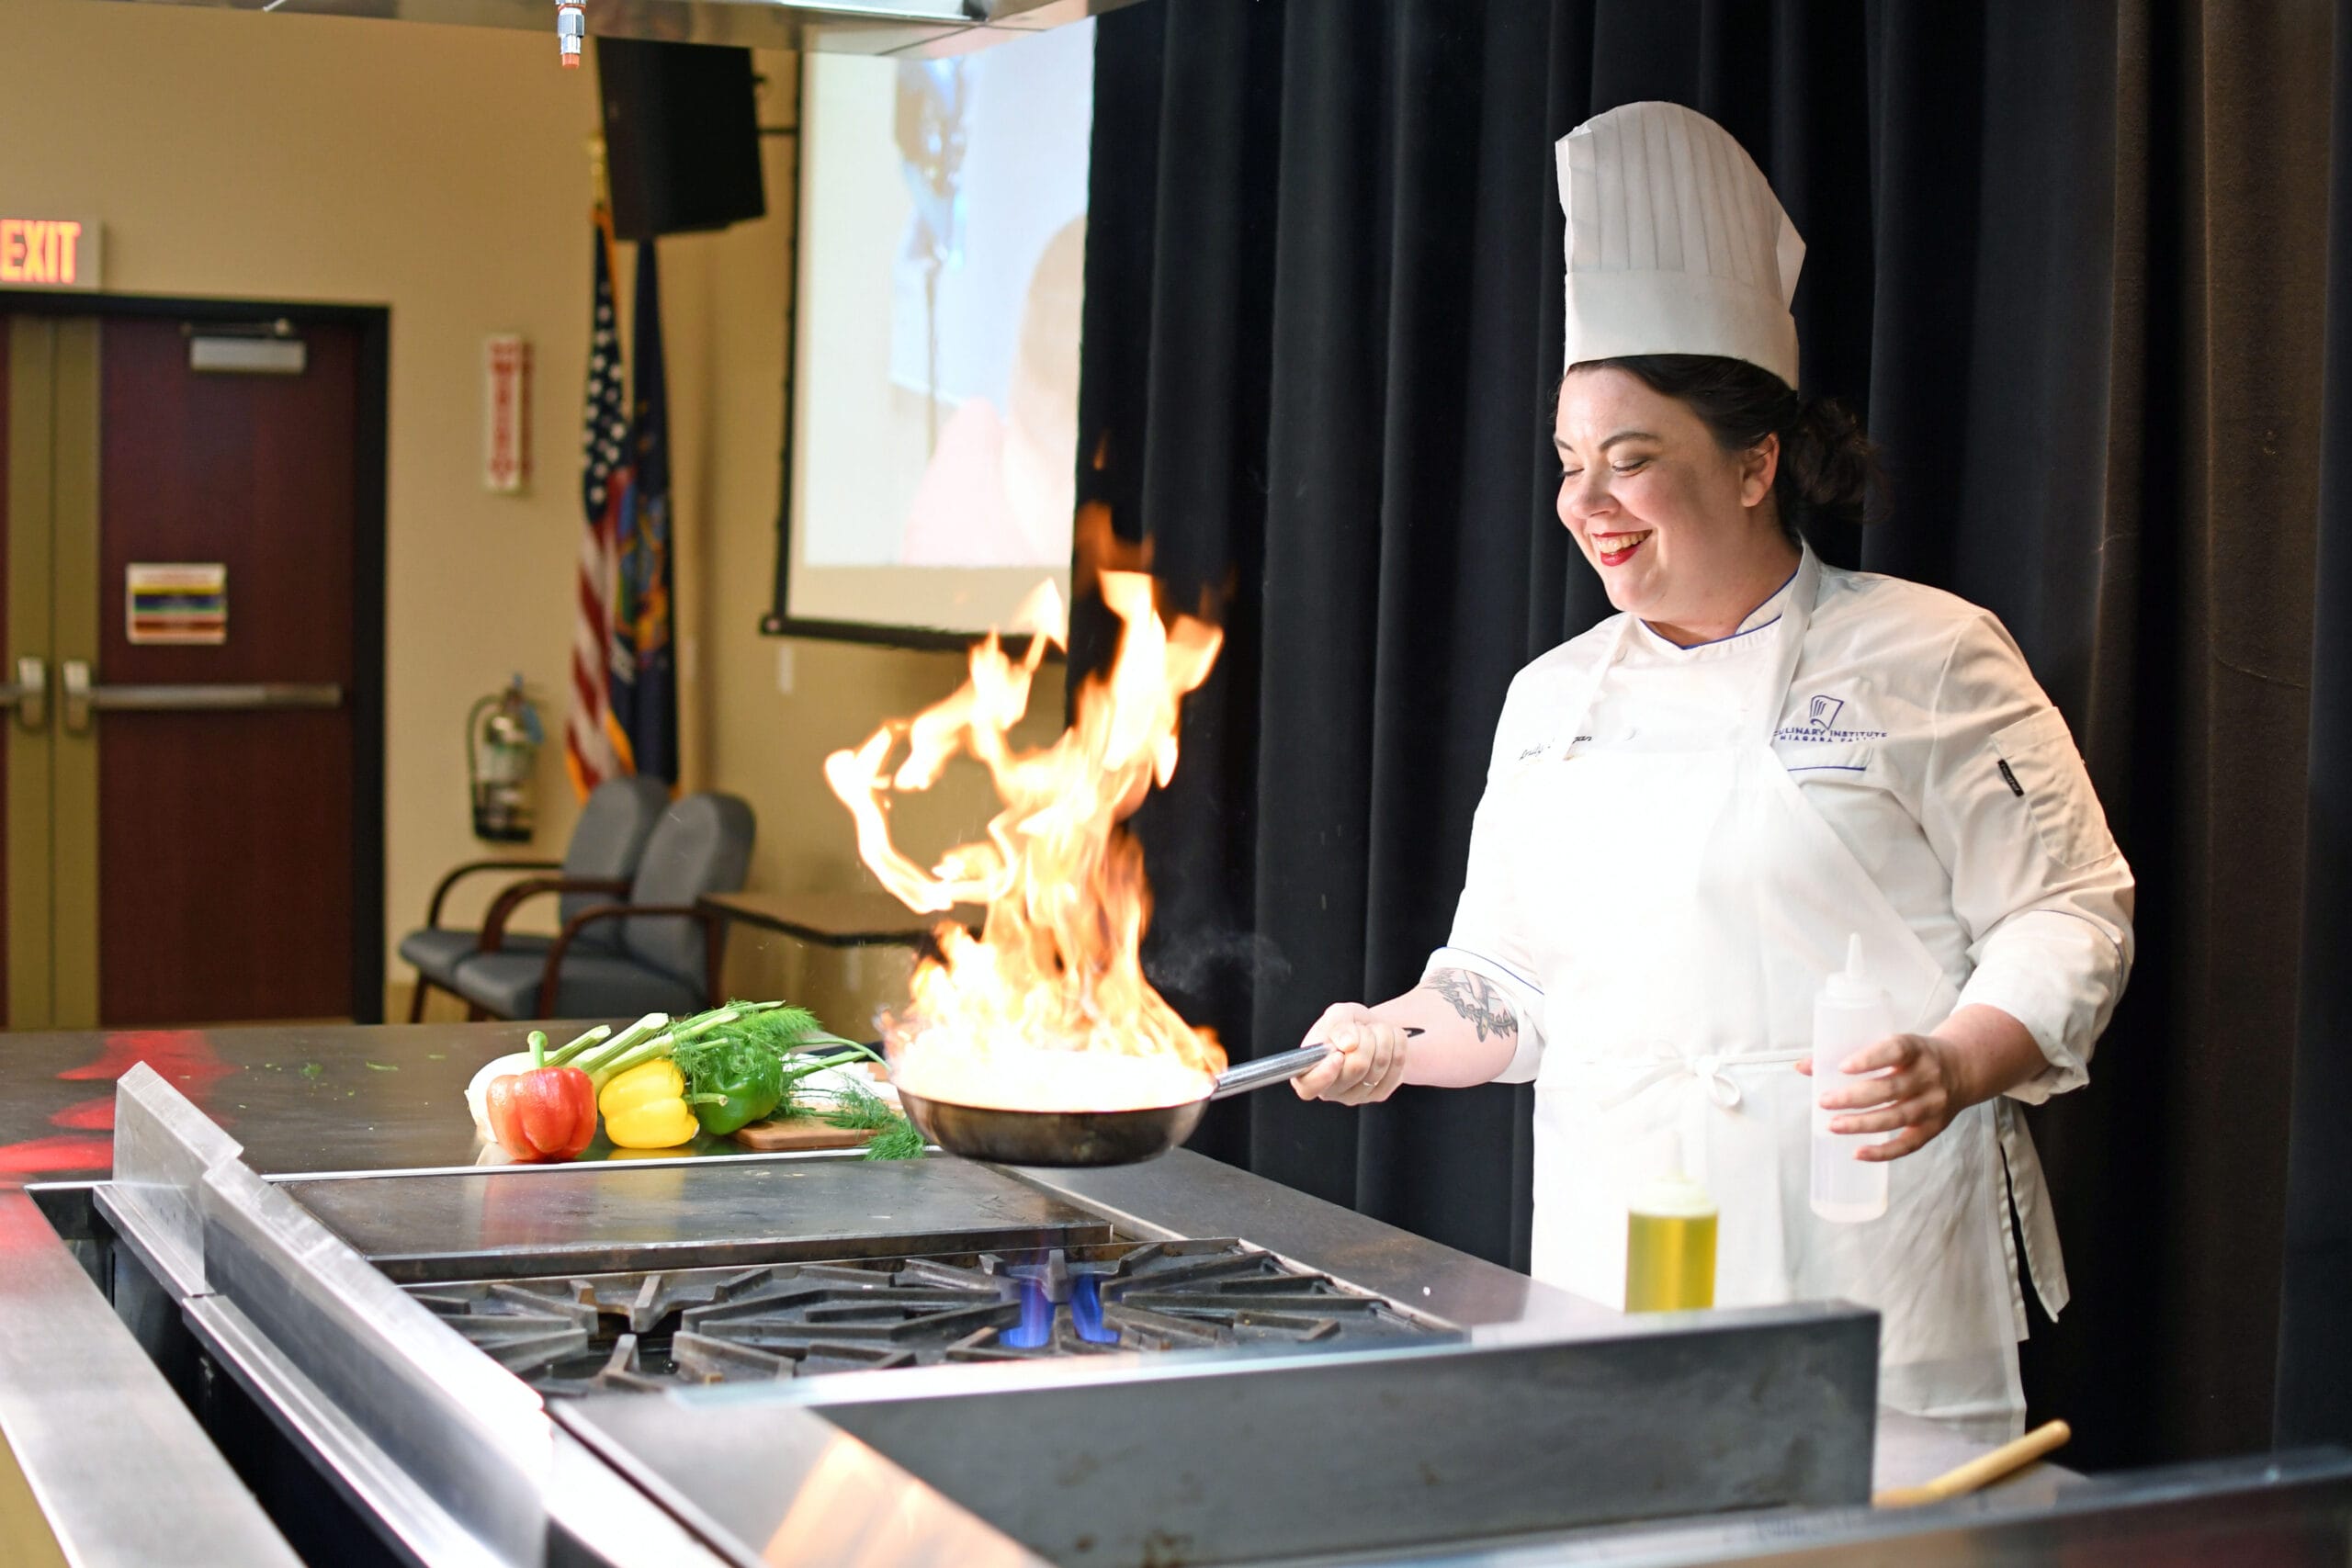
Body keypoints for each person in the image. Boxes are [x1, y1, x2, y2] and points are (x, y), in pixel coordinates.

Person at [1290, 102, 2133, 1435]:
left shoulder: (1929, 651)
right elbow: (1504, 983)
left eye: (1633, 462)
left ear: (1755, 465)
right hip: (1617, 1279)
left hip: (1871, 1286)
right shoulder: (1550, 700)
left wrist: (1960, 1062)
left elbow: (2068, 910)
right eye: (1572, 466)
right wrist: (1388, 1039)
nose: (1589, 504)